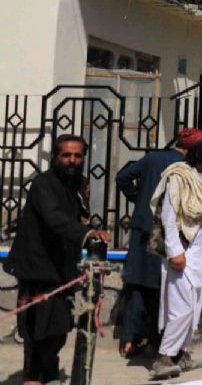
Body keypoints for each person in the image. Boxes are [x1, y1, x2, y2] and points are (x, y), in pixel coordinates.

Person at [4, 135, 112, 385]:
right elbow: (54, 217)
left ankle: (48, 373)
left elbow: (75, 217)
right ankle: (33, 377)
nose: (72, 160)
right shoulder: (44, 184)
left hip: (61, 268)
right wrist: (86, 234)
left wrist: (88, 229)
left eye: (77, 156)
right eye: (66, 155)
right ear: (55, 156)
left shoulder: (75, 184)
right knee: (36, 327)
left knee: (58, 327)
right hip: (37, 266)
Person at [146, 131, 202, 380]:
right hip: (182, 252)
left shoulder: (198, 176)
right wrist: (175, 251)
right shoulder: (177, 176)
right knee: (180, 309)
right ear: (199, 151)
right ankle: (163, 358)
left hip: (197, 253)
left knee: (195, 304)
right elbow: (169, 216)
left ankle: (183, 354)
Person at [114, 131, 193, 358]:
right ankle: (156, 341)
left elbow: (122, 177)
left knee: (137, 283)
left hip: (142, 228)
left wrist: (139, 198)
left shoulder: (153, 158)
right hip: (168, 235)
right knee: (163, 288)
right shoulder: (186, 167)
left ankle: (129, 340)